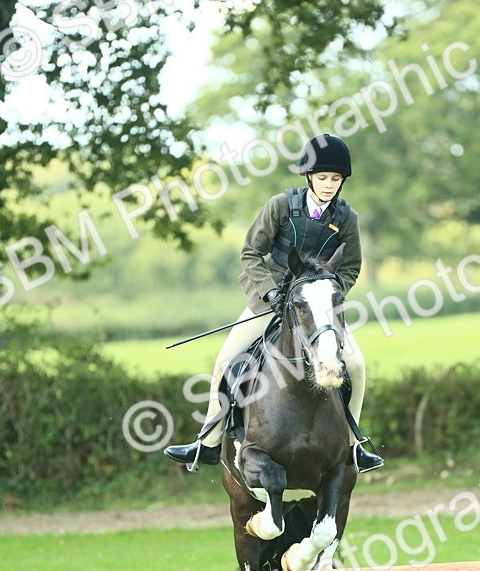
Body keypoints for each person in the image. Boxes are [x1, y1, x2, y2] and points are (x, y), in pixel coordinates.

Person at [163, 133, 384, 473]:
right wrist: (270, 291)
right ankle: (206, 443)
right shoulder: (281, 205)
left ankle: (354, 446)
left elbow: (351, 267)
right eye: (322, 178)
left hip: (316, 307)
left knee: (356, 365)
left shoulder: (347, 217)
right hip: (269, 299)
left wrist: (328, 291)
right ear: (309, 176)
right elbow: (250, 253)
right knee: (225, 361)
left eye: (335, 179)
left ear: (342, 181)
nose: (328, 185)